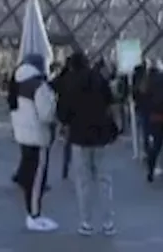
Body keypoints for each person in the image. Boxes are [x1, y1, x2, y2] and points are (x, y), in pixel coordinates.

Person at [56, 51, 118, 236]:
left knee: (83, 182)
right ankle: (108, 223)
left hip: (79, 137)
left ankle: (86, 222)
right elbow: (110, 102)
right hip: (101, 135)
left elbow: (62, 113)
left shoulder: (70, 83)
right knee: (104, 180)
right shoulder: (99, 79)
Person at [11, 53, 58, 232]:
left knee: (30, 175)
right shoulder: (38, 85)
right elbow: (46, 114)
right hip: (38, 136)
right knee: (38, 178)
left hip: (23, 135)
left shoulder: (16, 83)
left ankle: (32, 211)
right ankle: (35, 215)